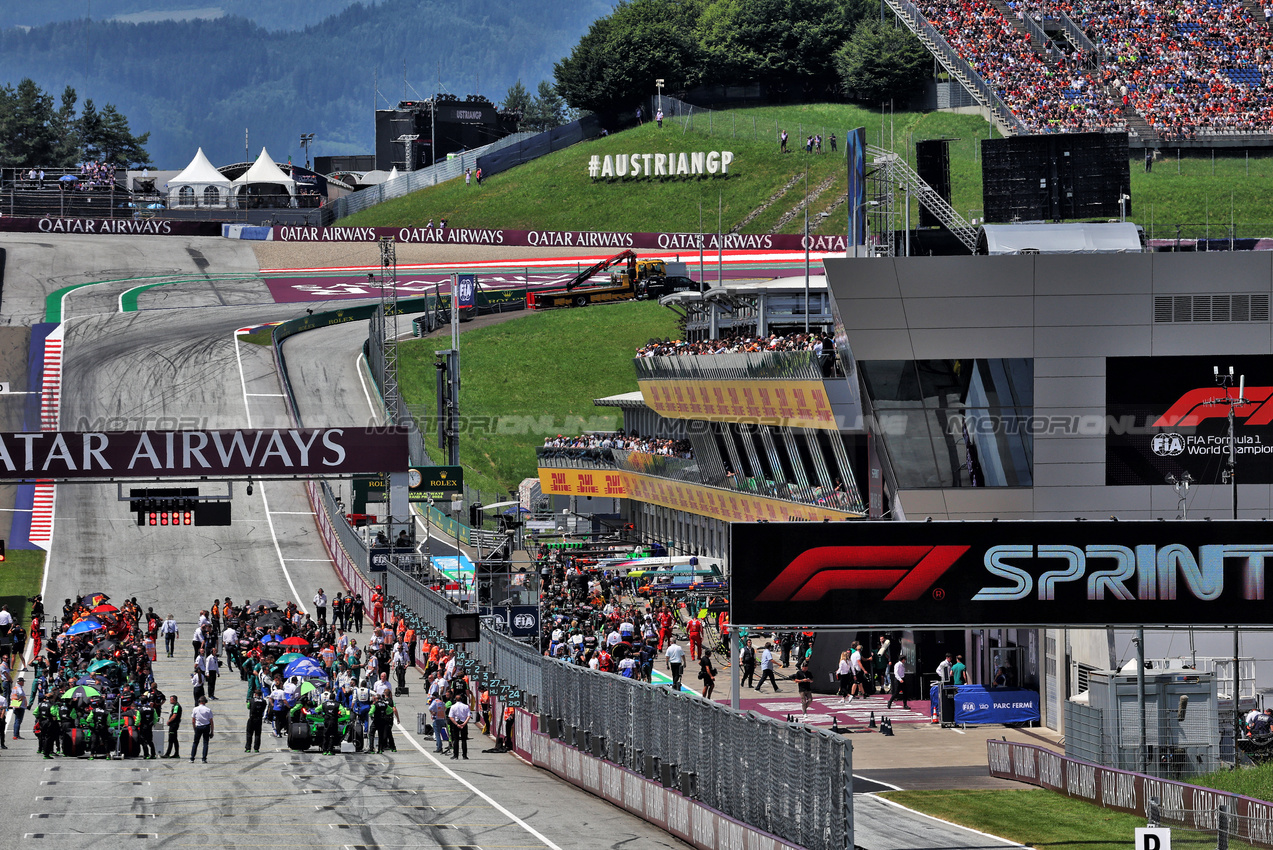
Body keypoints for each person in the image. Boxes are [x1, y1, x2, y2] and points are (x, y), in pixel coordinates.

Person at [190, 696, 213, 763]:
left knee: (195, 743)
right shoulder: (208, 710)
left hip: (198, 727)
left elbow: (193, 721)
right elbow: (211, 721)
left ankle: (192, 758)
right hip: (206, 727)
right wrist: (212, 731)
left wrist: (194, 728)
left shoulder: (195, 709)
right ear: (205, 702)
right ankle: (204, 759)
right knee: (205, 743)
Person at [448, 695, 471, 759]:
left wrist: (456, 724)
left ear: (455, 700)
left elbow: (451, 717)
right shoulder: (466, 706)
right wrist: (464, 723)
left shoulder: (453, 707)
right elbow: (469, 716)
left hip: (456, 723)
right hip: (463, 722)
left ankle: (456, 755)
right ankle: (464, 755)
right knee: (464, 740)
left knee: (456, 739)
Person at [245, 687, 266, 753]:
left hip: (252, 718)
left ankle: (248, 748)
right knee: (257, 734)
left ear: (256, 694)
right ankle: (256, 748)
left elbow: (248, 707)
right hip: (259, 718)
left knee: (249, 734)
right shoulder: (263, 701)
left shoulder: (251, 700)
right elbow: (264, 708)